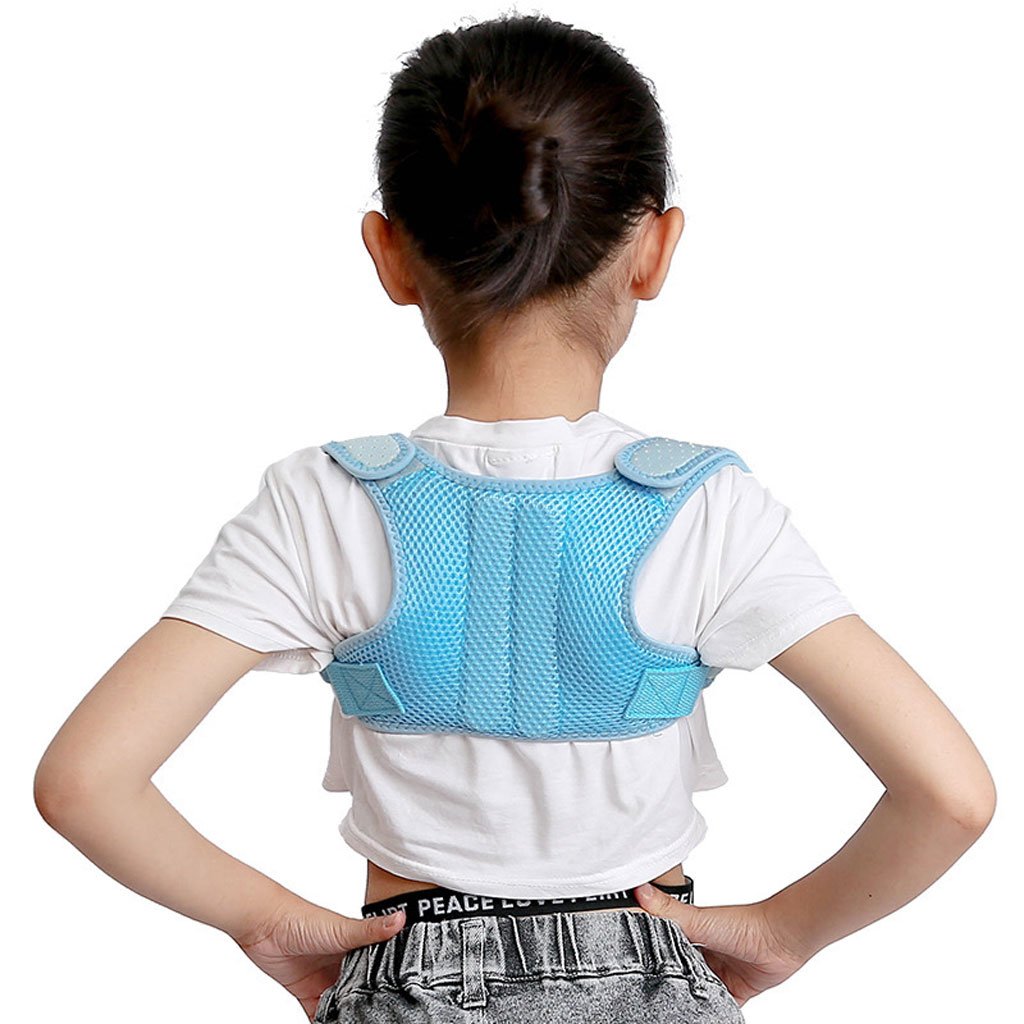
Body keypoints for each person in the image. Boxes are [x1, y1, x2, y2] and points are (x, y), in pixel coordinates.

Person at [33, 13, 996, 1024]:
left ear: (390, 254)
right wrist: (785, 931)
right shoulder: (708, 509)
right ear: (654, 249)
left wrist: (267, 922)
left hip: (410, 973)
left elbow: (86, 784)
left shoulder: (322, 501)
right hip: (653, 970)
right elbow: (950, 797)